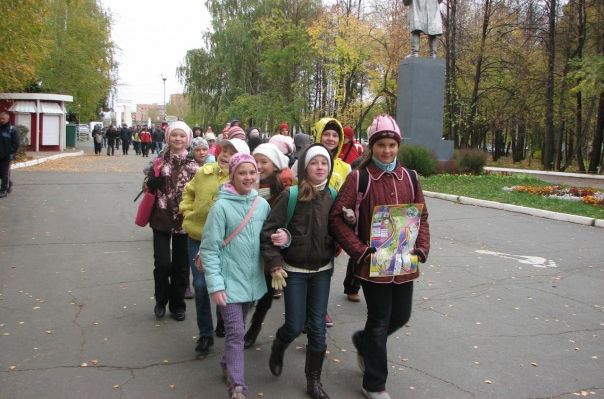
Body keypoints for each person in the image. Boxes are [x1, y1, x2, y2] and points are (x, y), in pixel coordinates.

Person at [328, 114, 430, 399]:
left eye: (392, 145)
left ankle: (363, 342)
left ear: (398, 146)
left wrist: (421, 248)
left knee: (401, 315)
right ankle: (374, 383)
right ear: (372, 147)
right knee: (380, 318)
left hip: (404, 262)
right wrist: (360, 251)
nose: (387, 150)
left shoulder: (409, 177)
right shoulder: (359, 178)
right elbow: (336, 218)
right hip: (373, 265)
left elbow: (422, 216)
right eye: (381, 145)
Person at [261, 144, 337, 399]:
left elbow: (340, 232)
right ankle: (279, 345)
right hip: (293, 270)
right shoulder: (290, 196)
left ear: (329, 167)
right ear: (305, 167)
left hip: (322, 270)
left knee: (317, 326)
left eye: (324, 163)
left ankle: (313, 381)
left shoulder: (334, 197)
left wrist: (348, 222)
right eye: (314, 163)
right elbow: (268, 232)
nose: (319, 167)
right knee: (294, 324)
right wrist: (274, 262)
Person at [200, 153, 270, 399]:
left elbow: (269, 239)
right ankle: (237, 385)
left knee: (236, 331)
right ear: (232, 175)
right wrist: (216, 286)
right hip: (228, 284)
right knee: (236, 332)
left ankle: (226, 364)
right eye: (242, 172)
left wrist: (283, 237)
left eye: (252, 172)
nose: (248, 177)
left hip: (251, 283)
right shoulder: (220, 207)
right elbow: (209, 249)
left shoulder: (261, 205)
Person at [180, 138, 251, 354]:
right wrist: (187, 211)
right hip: (198, 237)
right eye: (224, 149)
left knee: (224, 285)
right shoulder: (205, 172)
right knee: (201, 286)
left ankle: (223, 318)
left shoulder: (240, 179)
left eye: (232, 152)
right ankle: (205, 334)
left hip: (224, 243)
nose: (225, 154)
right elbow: (188, 191)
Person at [144, 121, 198, 322]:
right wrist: (150, 183)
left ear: (187, 139)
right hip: (161, 217)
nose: (178, 139)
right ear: (168, 137)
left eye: (182, 136)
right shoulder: (159, 161)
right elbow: (147, 184)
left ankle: (177, 305)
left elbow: (200, 192)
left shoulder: (194, 164)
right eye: (174, 135)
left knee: (181, 266)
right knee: (162, 263)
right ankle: (161, 300)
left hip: (185, 220)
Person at [242, 143, 294, 349]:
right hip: (248, 245)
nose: (259, 166)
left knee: (265, 295)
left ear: (275, 165)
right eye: (256, 160)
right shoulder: (245, 181)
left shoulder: (283, 189)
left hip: (272, 247)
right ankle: (236, 326)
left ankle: (253, 329)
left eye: (264, 162)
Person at [0, 111, 19, 198]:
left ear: (8, 119)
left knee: (5, 173)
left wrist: (7, 152)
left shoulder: (12, 130)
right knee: (1, 174)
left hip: (7, 156)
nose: (1, 120)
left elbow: (15, 144)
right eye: (0, 118)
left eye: (3, 118)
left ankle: (3, 190)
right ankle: (9, 183)